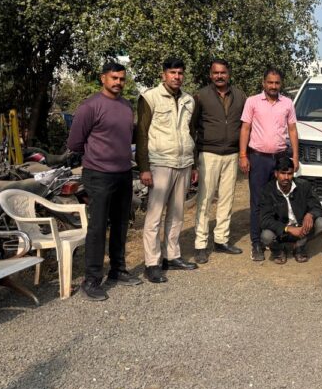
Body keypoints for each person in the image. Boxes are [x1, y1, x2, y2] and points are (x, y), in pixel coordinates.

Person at [67, 61, 140, 300]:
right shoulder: (90, 107)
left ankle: (118, 270)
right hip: (98, 174)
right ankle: (91, 280)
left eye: (122, 79)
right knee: (98, 227)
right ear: (103, 79)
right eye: (114, 78)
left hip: (123, 173)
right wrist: (97, 156)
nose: (118, 82)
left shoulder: (126, 106)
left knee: (121, 224)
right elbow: (75, 143)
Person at [135, 58, 198, 284]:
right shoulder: (150, 97)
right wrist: (144, 167)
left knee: (177, 213)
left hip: (184, 163)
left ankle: (172, 256)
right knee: (154, 215)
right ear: (163, 75)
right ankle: (152, 263)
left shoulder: (189, 100)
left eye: (180, 73)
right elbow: (141, 134)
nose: (177, 77)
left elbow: (191, 132)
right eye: (172, 72)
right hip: (160, 163)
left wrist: (194, 164)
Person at [190, 59, 247, 263]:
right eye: (216, 73)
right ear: (210, 75)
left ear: (229, 74)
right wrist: (193, 159)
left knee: (226, 199)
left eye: (223, 72)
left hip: (231, 154)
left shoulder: (240, 96)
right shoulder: (201, 96)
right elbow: (192, 127)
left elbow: (245, 125)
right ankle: (200, 244)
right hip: (208, 154)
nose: (219, 76)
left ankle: (221, 240)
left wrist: (244, 154)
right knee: (204, 200)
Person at [239, 68, 299, 261]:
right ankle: (256, 243)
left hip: (280, 158)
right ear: (263, 83)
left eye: (277, 83)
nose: (273, 86)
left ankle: (277, 240)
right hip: (258, 159)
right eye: (270, 82)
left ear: (281, 84)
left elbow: (292, 130)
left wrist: (295, 156)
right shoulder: (252, 102)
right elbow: (245, 128)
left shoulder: (287, 103)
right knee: (257, 201)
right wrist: (243, 155)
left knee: (280, 199)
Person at [259, 156, 322, 264]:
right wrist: (288, 228)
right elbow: (264, 220)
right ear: (276, 174)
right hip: (281, 232)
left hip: (301, 229)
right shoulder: (268, 191)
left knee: (321, 223)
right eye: (282, 173)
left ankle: (299, 246)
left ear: (293, 174)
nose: (286, 177)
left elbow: (317, 206)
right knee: (266, 236)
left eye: (289, 174)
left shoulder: (304, 186)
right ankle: (279, 250)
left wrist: (310, 214)